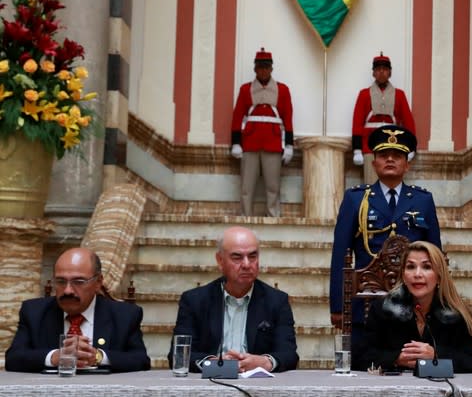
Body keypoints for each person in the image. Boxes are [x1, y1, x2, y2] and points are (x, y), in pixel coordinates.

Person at [329, 124, 441, 331]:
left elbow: (435, 256)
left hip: (413, 299)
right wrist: (338, 305)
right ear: (374, 163)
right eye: (383, 154)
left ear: (407, 165)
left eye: (397, 155)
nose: (390, 159)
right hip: (366, 301)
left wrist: (437, 302)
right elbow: (340, 255)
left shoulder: (422, 200)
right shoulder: (356, 199)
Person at [170, 226, 299, 373]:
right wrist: (214, 364)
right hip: (211, 383)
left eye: (252, 256)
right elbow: (178, 355)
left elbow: (289, 354)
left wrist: (265, 362)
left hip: (259, 386)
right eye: (237, 257)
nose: (246, 264)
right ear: (220, 260)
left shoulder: (276, 301)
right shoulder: (194, 301)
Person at [5, 248, 151, 373]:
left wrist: (98, 357)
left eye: (78, 282)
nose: (68, 290)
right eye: (61, 281)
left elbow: (141, 360)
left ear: (98, 282)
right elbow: (14, 358)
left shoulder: (124, 315)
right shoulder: (34, 312)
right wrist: (54, 357)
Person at [355, 241, 472, 372]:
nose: (417, 274)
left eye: (426, 267)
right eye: (410, 267)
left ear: (439, 276)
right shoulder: (382, 309)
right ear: (403, 275)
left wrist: (436, 354)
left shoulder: (455, 312)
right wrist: (396, 358)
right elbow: (360, 357)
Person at [230, 48, 294, 217]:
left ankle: (273, 217)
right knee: (246, 186)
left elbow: (287, 118)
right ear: (255, 69)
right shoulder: (245, 90)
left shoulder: (283, 90)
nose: (263, 70)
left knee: (273, 186)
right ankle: (245, 216)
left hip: (273, 143)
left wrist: (289, 145)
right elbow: (237, 116)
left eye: (266, 67)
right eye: (260, 67)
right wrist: (236, 142)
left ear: (271, 69)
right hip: (250, 143)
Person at [351, 53, 416, 183]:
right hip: (370, 146)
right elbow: (357, 121)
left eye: (385, 69)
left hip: (394, 143)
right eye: (378, 69)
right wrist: (357, 149)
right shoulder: (364, 94)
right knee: (371, 183)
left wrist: (411, 147)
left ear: (390, 73)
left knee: (392, 182)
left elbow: (408, 121)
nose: (381, 72)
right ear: (373, 73)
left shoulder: (400, 95)